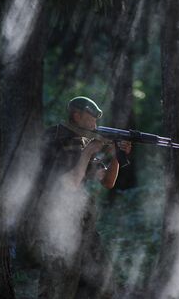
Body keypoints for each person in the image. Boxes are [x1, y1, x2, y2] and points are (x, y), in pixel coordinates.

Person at [24, 96, 131, 299]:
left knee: (103, 287)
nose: (95, 124)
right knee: (57, 288)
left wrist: (117, 157)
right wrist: (89, 150)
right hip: (57, 226)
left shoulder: (84, 142)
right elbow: (70, 183)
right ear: (77, 115)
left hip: (83, 227)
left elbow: (107, 181)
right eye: (91, 118)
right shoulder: (56, 138)